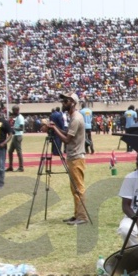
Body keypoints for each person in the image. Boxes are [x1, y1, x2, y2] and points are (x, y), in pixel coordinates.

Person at [48, 92, 89, 225]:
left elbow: (66, 140)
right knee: (74, 188)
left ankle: (82, 217)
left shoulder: (76, 118)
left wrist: (54, 129)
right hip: (73, 156)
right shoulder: (73, 117)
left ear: (72, 103)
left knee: (78, 188)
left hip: (76, 157)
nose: (63, 103)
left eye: (65, 101)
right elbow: (68, 133)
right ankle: (77, 214)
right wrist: (56, 128)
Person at [5, 105, 25, 172]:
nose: (13, 112)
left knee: (19, 152)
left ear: (17, 110)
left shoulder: (20, 118)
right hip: (15, 135)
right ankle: (10, 166)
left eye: (14, 110)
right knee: (10, 151)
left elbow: (21, 128)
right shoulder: (16, 117)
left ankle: (21, 167)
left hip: (18, 136)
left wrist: (14, 128)